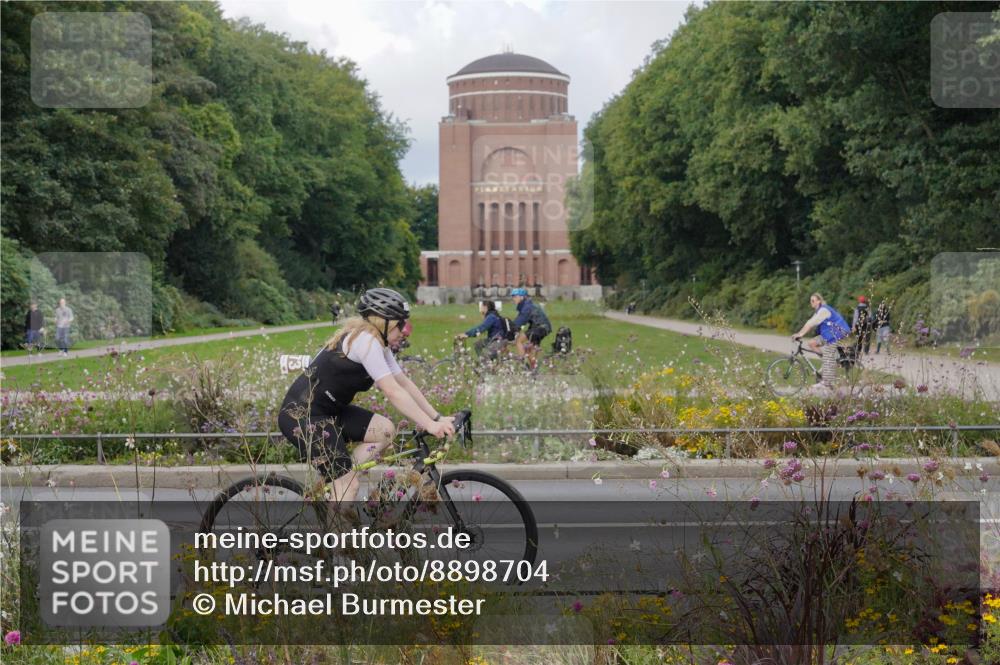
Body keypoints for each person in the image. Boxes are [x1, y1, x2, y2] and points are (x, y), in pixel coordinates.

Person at [278, 288, 455, 504]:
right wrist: (428, 424)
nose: (404, 330)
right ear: (384, 322)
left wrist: (436, 418)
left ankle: (337, 480)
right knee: (348, 486)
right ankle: (338, 524)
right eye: (400, 324)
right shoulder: (366, 342)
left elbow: (404, 383)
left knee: (385, 431)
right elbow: (392, 390)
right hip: (303, 417)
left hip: (330, 412)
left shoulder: (380, 345)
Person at [792, 292, 851, 388]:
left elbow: (812, 323)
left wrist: (800, 334)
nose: (811, 302)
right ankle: (829, 362)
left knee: (828, 353)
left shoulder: (824, 310)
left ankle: (826, 382)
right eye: (810, 300)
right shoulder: (818, 311)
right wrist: (799, 333)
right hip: (828, 334)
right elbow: (809, 322)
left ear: (819, 301)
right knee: (812, 343)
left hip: (837, 333)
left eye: (813, 300)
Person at [511, 287, 552, 368]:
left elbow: (519, 322)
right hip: (543, 328)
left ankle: (523, 364)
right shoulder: (526, 305)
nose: (513, 299)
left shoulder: (527, 307)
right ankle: (534, 369)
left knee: (518, 340)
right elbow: (520, 323)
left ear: (522, 297)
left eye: (515, 296)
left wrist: (508, 331)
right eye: (512, 296)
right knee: (528, 349)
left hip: (540, 328)